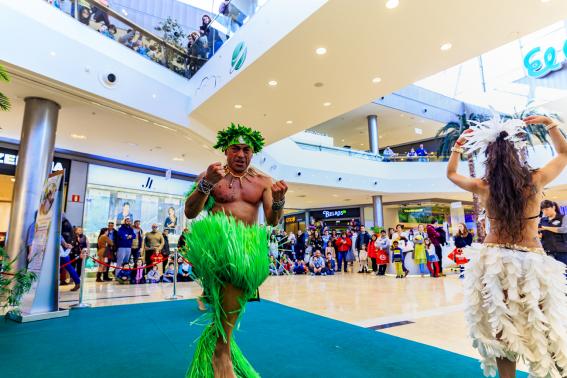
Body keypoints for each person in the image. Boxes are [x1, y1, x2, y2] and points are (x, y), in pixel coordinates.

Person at [446, 114, 567, 378]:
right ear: (518, 153)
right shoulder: (535, 180)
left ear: (490, 157)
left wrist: (458, 146)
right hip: (532, 259)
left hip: (495, 260)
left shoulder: (484, 186)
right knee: (546, 322)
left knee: (503, 326)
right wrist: (549, 123)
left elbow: (452, 174)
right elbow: (564, 152)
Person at [182, 123, 287, 377]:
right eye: (235, 149)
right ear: (226, 150)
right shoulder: (211, 175)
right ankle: (222, 352)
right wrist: (206, 183)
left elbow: (273, 221)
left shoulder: (263, 181)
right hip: (217, 250)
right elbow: (191, 211)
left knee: (227, 305)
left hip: (247, 253)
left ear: (253, 153)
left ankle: (221, 350)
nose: (241, 154)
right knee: (230, 285)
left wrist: (281, 200)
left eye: (246, 150)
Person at [539, 199, 567, 268]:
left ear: (553, 207)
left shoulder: (563, 217)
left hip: (562, 251)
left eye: (546, 209)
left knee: (564, 273)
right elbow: (541, 233)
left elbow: (564, 230)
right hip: (547, 251)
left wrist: (545, 228)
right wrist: (539, 235)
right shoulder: (542, 220)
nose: (545, 212)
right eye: (543, 210)